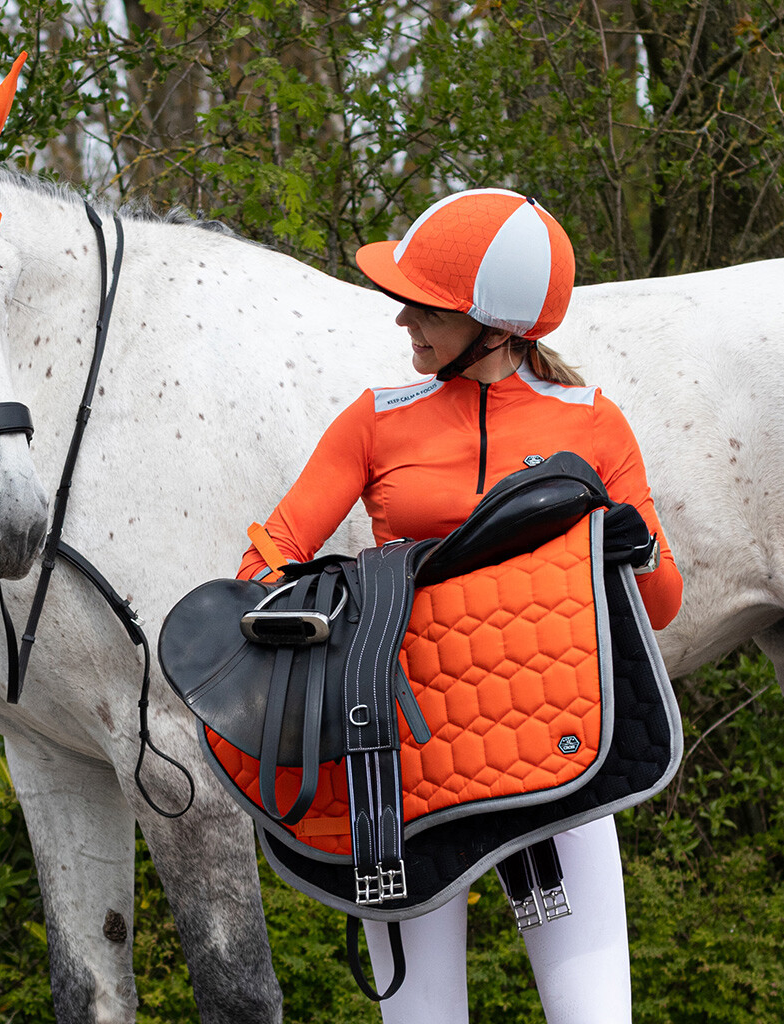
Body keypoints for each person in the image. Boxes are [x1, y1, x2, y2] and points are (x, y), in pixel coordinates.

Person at [236, 188, 683, 1024]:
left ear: (499, 328)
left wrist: (639, 549)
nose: (402, 318)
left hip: (559, 744)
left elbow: (660, 607)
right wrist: (304, 596)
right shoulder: (373, 421)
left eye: (427, 306)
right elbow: (270, 555)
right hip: (398, 758)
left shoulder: (595, 425)